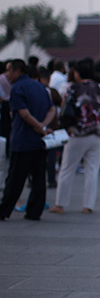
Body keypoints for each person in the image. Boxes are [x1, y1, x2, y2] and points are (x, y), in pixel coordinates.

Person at [50, 58, 100, 215]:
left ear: (78, 73)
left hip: (77, 134)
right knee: (92, 170)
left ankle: (60, 204)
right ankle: (88, 206)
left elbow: (64, 108)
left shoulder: (73, 89)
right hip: (96, 134)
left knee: (67, 168)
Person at [0, 60, 55, 221]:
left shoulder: (18, 88)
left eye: (9, 70)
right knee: (38, 177)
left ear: (17, 71)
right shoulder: (39, 86)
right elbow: (52, 109)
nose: (6, 74)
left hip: (23, 139)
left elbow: (23, 113)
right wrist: (43, 126)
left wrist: (38, 126)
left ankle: (4, 210)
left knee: (15, 179)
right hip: (39, 141)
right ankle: (34, 211)